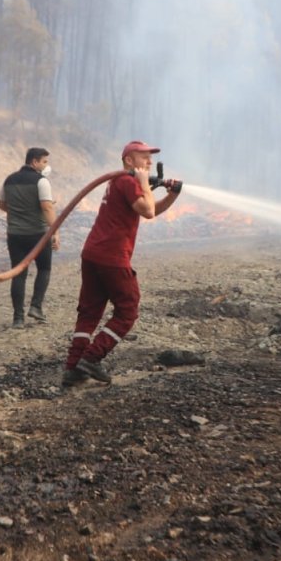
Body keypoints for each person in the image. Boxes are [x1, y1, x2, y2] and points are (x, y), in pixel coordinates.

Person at [62, 140, 182, 387]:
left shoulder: (122, 182)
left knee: (90, 311)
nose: (149, 162)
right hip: (112, 255)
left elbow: (149, 210)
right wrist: (143, 184)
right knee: (128, 309)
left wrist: (172, 194)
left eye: (151, 158)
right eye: (144, 157)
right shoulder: (128, 181)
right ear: (129, 160)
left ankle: (74, 368)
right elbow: (148, 211)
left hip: (93, 252)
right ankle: (92, 358)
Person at [0, 147, 59, 328]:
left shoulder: (9, 180)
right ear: (34, 162)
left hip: (15, 235)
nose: (46, 166)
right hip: (38, 234)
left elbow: (0, 203)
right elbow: (47, 207)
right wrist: (55, 232)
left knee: (18, 274)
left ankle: (18, 318)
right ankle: (36, 307)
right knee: (44, 269)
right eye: (44, 162)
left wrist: (18, 212)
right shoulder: (42, 181)